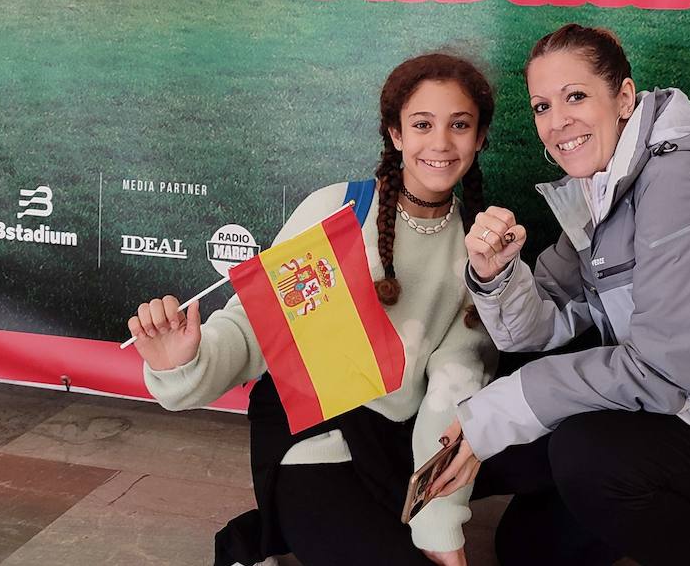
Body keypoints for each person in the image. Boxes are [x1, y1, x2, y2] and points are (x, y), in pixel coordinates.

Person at [429, 24, 690, 566]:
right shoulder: (598, 186)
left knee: (582, 455)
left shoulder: (683, 184)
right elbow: (537, 329)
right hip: (677, 413)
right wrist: (496, 275)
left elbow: (662, 373)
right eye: (541, 106)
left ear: (624, 98)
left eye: (575, 96)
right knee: (526, 551)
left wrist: (503, 406)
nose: (557, 122)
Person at [128, 52, 499, 566]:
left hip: (398, 448)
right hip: (314, 434)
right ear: (395, 134)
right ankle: (279, 524)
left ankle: (269, 535)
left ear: (480, 138)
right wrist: (186, 364)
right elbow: (256, 328)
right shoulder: (338, 211)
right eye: (421, 124)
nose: (440, 143)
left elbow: (458, 383)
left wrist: (442, 528)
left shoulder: (480, 246)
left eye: (459, 125)